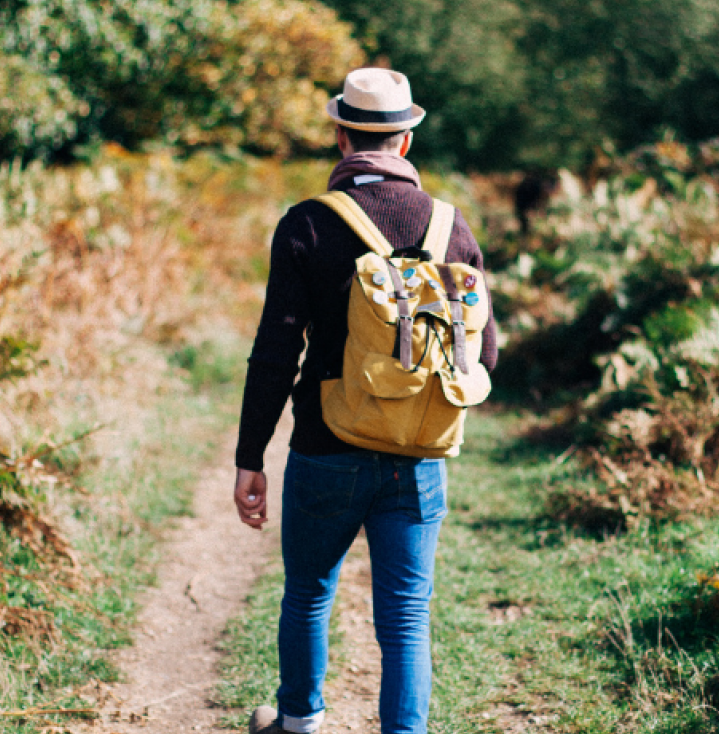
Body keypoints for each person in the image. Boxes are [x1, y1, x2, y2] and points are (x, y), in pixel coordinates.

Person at [233, 68, 499, 734]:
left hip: (326, 445)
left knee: (308, 595)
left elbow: (275, 352)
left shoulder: (307, 225)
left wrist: (249, 456)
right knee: (407, 613)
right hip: (417, 454)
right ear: (405, 141)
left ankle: (298, 724)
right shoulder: (450, 225)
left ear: (341, 137)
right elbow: (486, 354)